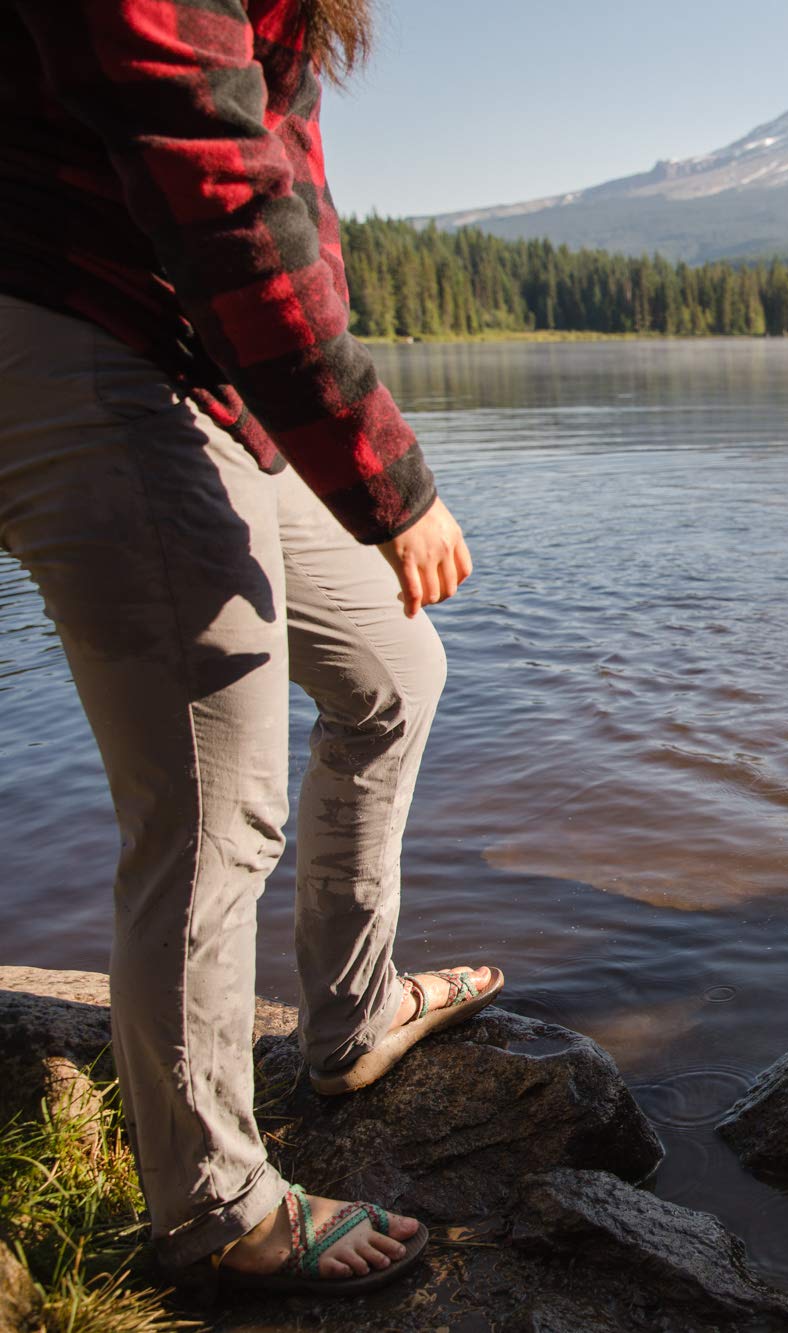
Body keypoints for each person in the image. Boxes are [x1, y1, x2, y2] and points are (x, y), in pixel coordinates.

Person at [1, 0, 500, 1295]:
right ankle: (218, 1211)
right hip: (75, 332)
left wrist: (319, 431)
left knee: (396, 670)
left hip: (201, 361)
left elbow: (273, 179)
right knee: (214, 803)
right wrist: (385, 476)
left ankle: (348, 1016)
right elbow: (210, 176)